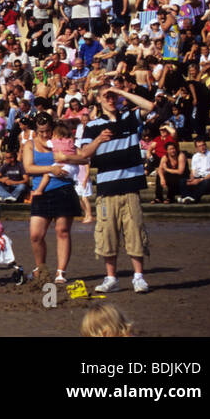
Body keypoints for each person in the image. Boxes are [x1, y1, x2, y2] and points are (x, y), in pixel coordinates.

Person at [61, 87, 151, 294]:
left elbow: (150, 106)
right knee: (107, 234)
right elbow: (84, 154)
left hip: (130, 186)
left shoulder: (129, 117)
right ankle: (111, 277)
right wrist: (99, 140)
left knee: (135, 232)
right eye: (106, 96)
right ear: (99, 100)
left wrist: (120, 90)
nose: (110, 99)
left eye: (113, 97)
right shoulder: (93, 126)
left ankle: (138, 276)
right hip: (107, 187)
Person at [21, 111, 81, 286]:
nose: (45, 134)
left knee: (62, 231)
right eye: (41, 132)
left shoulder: (61, 141)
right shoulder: (30, 145)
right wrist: (50, 169)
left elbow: (82, 156)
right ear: (36, 131)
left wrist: (68, 157)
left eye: (48, 130)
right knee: (35, 235)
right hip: (41, 191)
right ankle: (41, 268)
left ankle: (61, 272)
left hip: (63, 189)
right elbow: (29, 168)